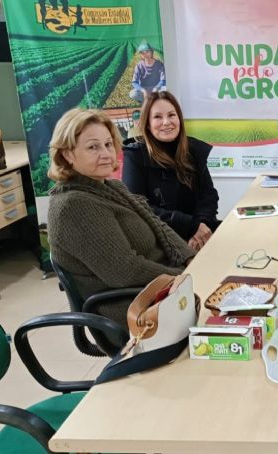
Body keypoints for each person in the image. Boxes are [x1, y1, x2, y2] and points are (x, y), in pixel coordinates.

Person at [48, 108, 195, 328]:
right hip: (134, 310)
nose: (106, 154)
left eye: (108, 144)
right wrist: (185, 277)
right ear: (67, 154)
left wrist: (190, 260)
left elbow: (158, 225)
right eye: (93, 147)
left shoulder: (111, 186)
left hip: (163, 289)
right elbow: (126, 270)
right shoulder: (73, 206)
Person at [123, 91, 220, 251]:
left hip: (200, 234)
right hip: (160, 242)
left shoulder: (193, 149)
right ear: (147, 123)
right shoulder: (135, 155)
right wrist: (191, 226)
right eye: (158, 117)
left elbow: (208, 195)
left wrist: (202, 225)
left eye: (171, 115)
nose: (166, 122)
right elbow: (138, 207)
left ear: (179, 119)